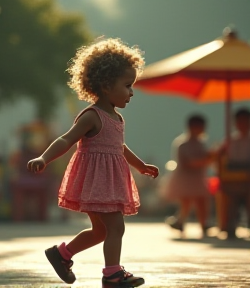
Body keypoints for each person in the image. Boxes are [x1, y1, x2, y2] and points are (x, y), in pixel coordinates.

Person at [27, 38, 159, 287]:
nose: (131, 92)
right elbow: (66, 139)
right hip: (96, 182)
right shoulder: (92, 116)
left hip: (109, 182)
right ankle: (112, 274)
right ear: (107, 85)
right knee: (116, 227)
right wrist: (44, 157)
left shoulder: (116, 118)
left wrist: (140, 165)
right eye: (127, 85)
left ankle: (62, 254)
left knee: (101, 231)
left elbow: (118, 148)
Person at [162, 115, 214, 237]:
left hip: (198, 177)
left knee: (201, 201)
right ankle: (180, 221)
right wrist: (206, 160)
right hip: (185, 178)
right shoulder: (182, 144)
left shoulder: (201, 143)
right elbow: (187, 163)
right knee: (186, 201)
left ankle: (203, 223)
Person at [217, 107, 250, 239]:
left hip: (248, 177)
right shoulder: (229, 141)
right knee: (232, 206)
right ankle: (230, 228)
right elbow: (220, 159)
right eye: (240, 121)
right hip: (233, 178)